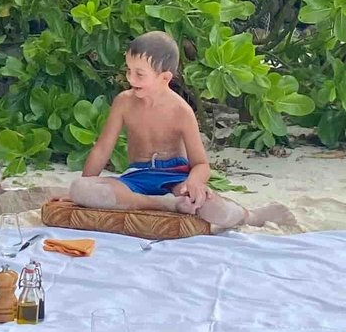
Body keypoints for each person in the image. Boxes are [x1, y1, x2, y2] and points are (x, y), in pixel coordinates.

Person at [66, 32, 295, 230]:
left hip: (175, 177)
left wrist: (194, 182)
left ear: (164, 78)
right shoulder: (123, 102)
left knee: (211, 207)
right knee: (79, 189)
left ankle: (251, 216)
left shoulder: (181, 111)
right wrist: (86, 186)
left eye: (139, 74)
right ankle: (165, 205)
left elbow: (201, 164)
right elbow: (103, 148)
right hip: (136, 177)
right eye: (128, 70)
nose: (129, 78)